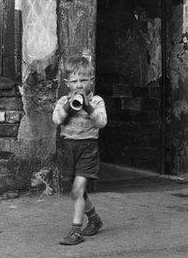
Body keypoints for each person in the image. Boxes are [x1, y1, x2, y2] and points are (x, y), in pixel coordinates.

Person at [52, 55, 107, 245]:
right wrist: (70, 105)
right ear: (67, 83)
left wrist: (88, 106)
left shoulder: (97, 101)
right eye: (74, 81)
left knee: (77, 189)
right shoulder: (62, 101)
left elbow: (101, 122)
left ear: (91, 80)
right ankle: (94, 219)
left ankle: (76, 231)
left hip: (88, 149)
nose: (79, 85)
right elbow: (57, 120)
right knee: (77, 191)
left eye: (83, 80)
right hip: (68, 148)